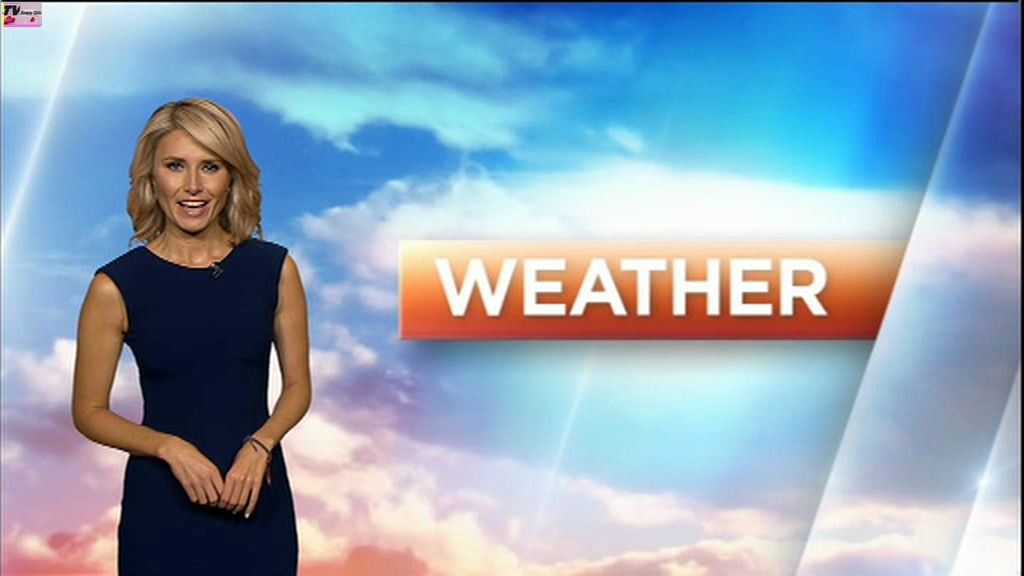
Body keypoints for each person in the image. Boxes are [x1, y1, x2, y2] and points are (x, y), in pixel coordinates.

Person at [71, 98, 312, 575]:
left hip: (256, 501)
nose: (194, 186)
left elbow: (298, 387)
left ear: (232, 177)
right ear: (151, 175)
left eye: (211, 167)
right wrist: (168, 447)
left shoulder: (274, 269)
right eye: (176, 166)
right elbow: (89, 412)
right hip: (162, 511)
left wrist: (261, 444)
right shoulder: (115, 286)